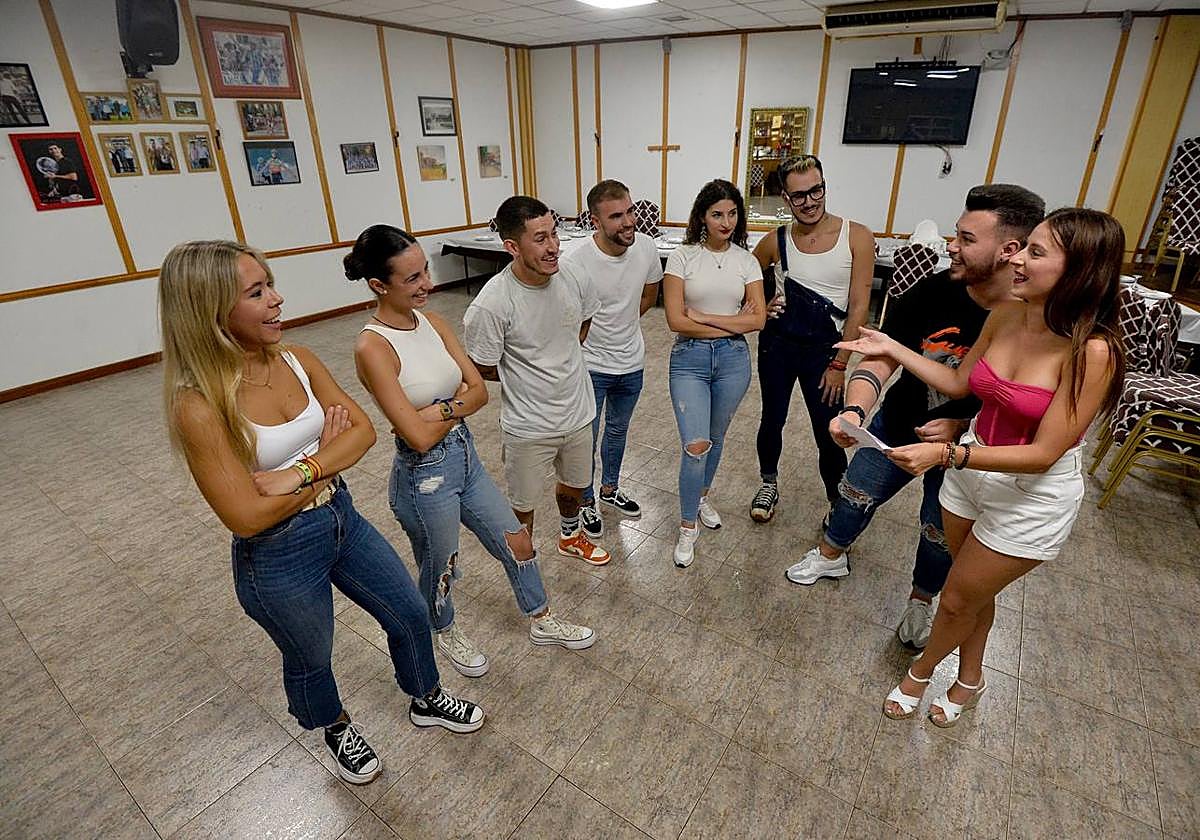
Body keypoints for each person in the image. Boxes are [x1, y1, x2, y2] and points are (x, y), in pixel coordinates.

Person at [158, 240, 484, 787]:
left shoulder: (299, 359)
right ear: (210, 310)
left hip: (341, 518)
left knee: (407, 610)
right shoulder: (198, 403)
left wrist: (302, 472)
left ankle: (425, 695)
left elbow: (364, 430)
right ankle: (334, 727)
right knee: (312, 653)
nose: (277, 300)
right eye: (257, 293)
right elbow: (245, 516)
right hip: (277, 555)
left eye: (271, 285)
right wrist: (326, 462)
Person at [835, 207, 1124, 726]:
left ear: (1079, 270)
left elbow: (1043, 454)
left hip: (1030, 493)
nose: (1017, 258)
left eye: (1035, 252)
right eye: (1021, 246)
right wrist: (891, 347)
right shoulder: (1008, 312)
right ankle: (971, 678)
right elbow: (958, 383)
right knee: (974, 590)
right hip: (971, 474)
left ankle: (918, 676)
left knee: (954, 598)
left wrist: (946, 453)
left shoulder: (1093, 351)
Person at [783, 184, 1045, 653]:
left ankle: (921, 599)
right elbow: (882, 357)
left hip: (966, 451)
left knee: (938, 531)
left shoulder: (1028, 318)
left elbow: (1018, 405)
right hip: (898, 422)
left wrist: (960, 428)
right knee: (854, 492)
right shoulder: (935, 290)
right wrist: (855, 409)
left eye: (966, 238)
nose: (950, 246)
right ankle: (831, 554)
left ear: (1009, 250)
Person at [348, 224, 595, 678]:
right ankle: (443, 630)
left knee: (516, 539)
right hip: (424, 477)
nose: (428, 284)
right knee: (440, 565)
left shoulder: (434, 321)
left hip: (465, 458)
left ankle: (541, 617)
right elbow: (417, 437)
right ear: (379, 286)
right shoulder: (372, 346)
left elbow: (479, 391)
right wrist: (453, 407)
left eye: (425, 271)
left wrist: (435, 411)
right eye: (413, 279)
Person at [463, 196, 611, 566]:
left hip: (578, 413)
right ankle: (525, 563)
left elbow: (585, 319)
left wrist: (560, 356)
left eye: (554, 234)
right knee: (522, 505)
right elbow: (480, 365)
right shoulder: (492, 303)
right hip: (528, 426)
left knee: (576, 486)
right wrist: (527, 371)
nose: (554, 247)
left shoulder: (572, 274)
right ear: (512, 246)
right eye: (541, 238)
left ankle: (570, 535)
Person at [749, 155, 875, 520]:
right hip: (778, 346)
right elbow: (744, 277)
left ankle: (836, 501)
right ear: (785, 199)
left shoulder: (857, 236)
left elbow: (858, 306)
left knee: (828, 428)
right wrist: (760, 304)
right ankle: (768, 483)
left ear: (824, 186)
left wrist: (840, 365)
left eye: (816, 190)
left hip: (826, 352)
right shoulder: (776, 240)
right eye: (799, 195)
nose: (810, 201)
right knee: (772, 417)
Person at [664, 179, 766, 567]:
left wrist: (704, 316)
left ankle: (702, 497)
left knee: (717, 437)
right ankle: (687, 526)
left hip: (733, 362)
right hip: (688, 359)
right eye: (717, 214)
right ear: (702, 217)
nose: (726, 221)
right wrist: (731, 322)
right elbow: (676, 321)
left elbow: (757, 320)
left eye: (732, 213)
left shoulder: (746, 260)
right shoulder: (683, 256)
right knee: (695, 444)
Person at [562, 180, 663, 538]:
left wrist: (621, 328)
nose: (628, 222)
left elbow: (649, 297)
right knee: (585, 438)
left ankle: (609, 488)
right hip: (591, 367)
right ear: (595, 220)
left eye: (630, 211)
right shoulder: (575, 262)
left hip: (631, 362)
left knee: (618, 431)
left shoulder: (647, 249)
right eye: (616, 216)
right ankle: (587, 500)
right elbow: (569, 321)